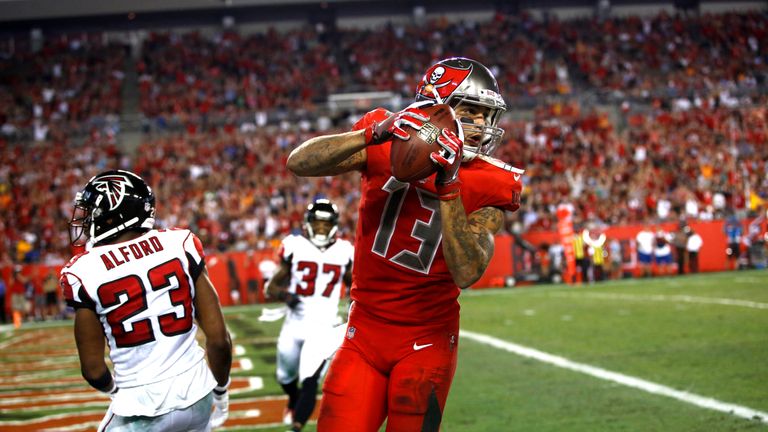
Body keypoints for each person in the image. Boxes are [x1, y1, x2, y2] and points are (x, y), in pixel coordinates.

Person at [287, 57, 523, 431]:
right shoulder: (386, 138)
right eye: (473, 112)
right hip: (363, 331)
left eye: (486, 115)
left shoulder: (491, 181)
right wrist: (373, 133)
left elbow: (467, 272)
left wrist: (450, 187)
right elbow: (299, 162)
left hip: (427, 339)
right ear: (437, 106)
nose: (482, 125)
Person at [59, 170, 233, 431]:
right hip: (198, 394)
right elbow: (219, 339)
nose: (86, 220)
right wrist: (220, 390)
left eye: (92, 212)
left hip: (139, 407)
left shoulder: (83, 271)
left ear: (113, 214)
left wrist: (116, 392)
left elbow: (93, 370)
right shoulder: (180, 243)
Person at [265, 199, 354, 432]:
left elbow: (356, 287)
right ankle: (293, 400)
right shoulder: (295, 246)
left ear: (334, 225)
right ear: (308, 223)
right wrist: (286, 297)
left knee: (310, 380)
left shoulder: (345, 251)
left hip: (323, 327)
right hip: (294, 324)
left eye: (326, 224)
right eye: (318, 223)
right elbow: (270, 288)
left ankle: (295, 427)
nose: (322, 229)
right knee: (285, 377)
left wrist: (355, 308)